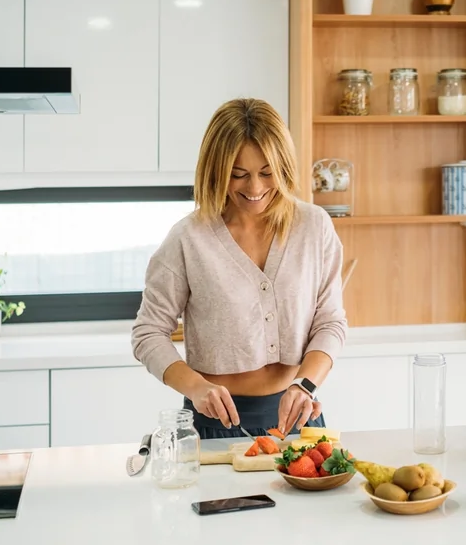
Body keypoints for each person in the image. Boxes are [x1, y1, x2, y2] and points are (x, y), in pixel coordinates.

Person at [131, 98, 348, 440]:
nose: (256, 188)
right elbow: (148, 333)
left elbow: (331, 321)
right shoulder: (188, 239)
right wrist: (196, 387)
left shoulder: (314, 226)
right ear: (216, 171)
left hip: (300, 420)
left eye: (267, 173)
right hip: (215, 427)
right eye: (239, 175)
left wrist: (305, 385)